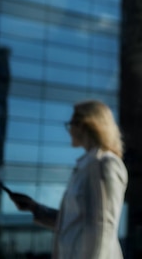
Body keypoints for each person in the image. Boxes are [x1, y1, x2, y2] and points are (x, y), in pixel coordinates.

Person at [8, 100, 128, 259]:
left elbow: (103, 228)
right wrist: (35, 208)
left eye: (71, 124)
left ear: (84, 125)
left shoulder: (105, 164)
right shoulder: (85, 167)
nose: (69, 130)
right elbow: (74, 222)